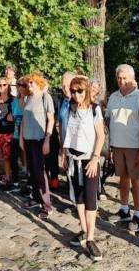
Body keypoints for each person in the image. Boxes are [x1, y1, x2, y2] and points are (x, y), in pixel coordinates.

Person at [61, 76, 105, 261]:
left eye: (79, 90)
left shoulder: (94, 109)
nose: (76, 94)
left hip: (89, 159)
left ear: (86, 90)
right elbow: (65, 132)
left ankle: (90, 238)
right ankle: (83, 229)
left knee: (89, 197)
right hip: (73, 158)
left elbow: (101, 136)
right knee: (78, 196)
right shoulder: (70, 108)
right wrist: (63, 154)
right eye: (73, 91)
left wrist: (95, 159)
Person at [106, 64, 139, 231]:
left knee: (136, 180)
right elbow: (108, 118)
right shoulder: (113, 96)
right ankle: (124, 209)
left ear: (132, 78)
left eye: (125, 78)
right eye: (119, 78)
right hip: (117, 145)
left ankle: (138, 214)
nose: (121, 81)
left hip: (134, 147)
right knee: (122, 179)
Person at [20, 72, 55, 219]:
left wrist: (47, 139)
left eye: (32, 83)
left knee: (40, 173)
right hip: (28, 139)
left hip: (39, 139)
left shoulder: (45, 97)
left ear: (39, 83)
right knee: (32, 171)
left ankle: (47, 205)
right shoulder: (28, 98)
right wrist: (21, 138)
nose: (29, 85)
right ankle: (35, 198)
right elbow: (24, 119)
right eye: (28, 83)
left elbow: (51, 120)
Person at [11, 77, 28, 186]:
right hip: (15, 131)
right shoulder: (14, 100)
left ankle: (26, 169)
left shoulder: (29, 99)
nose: (21, 87)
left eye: (23, 85)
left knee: (25, 151)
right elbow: (12, 114)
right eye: (19, 85)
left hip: (27, 131)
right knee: (14, 154)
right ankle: (15, 178)